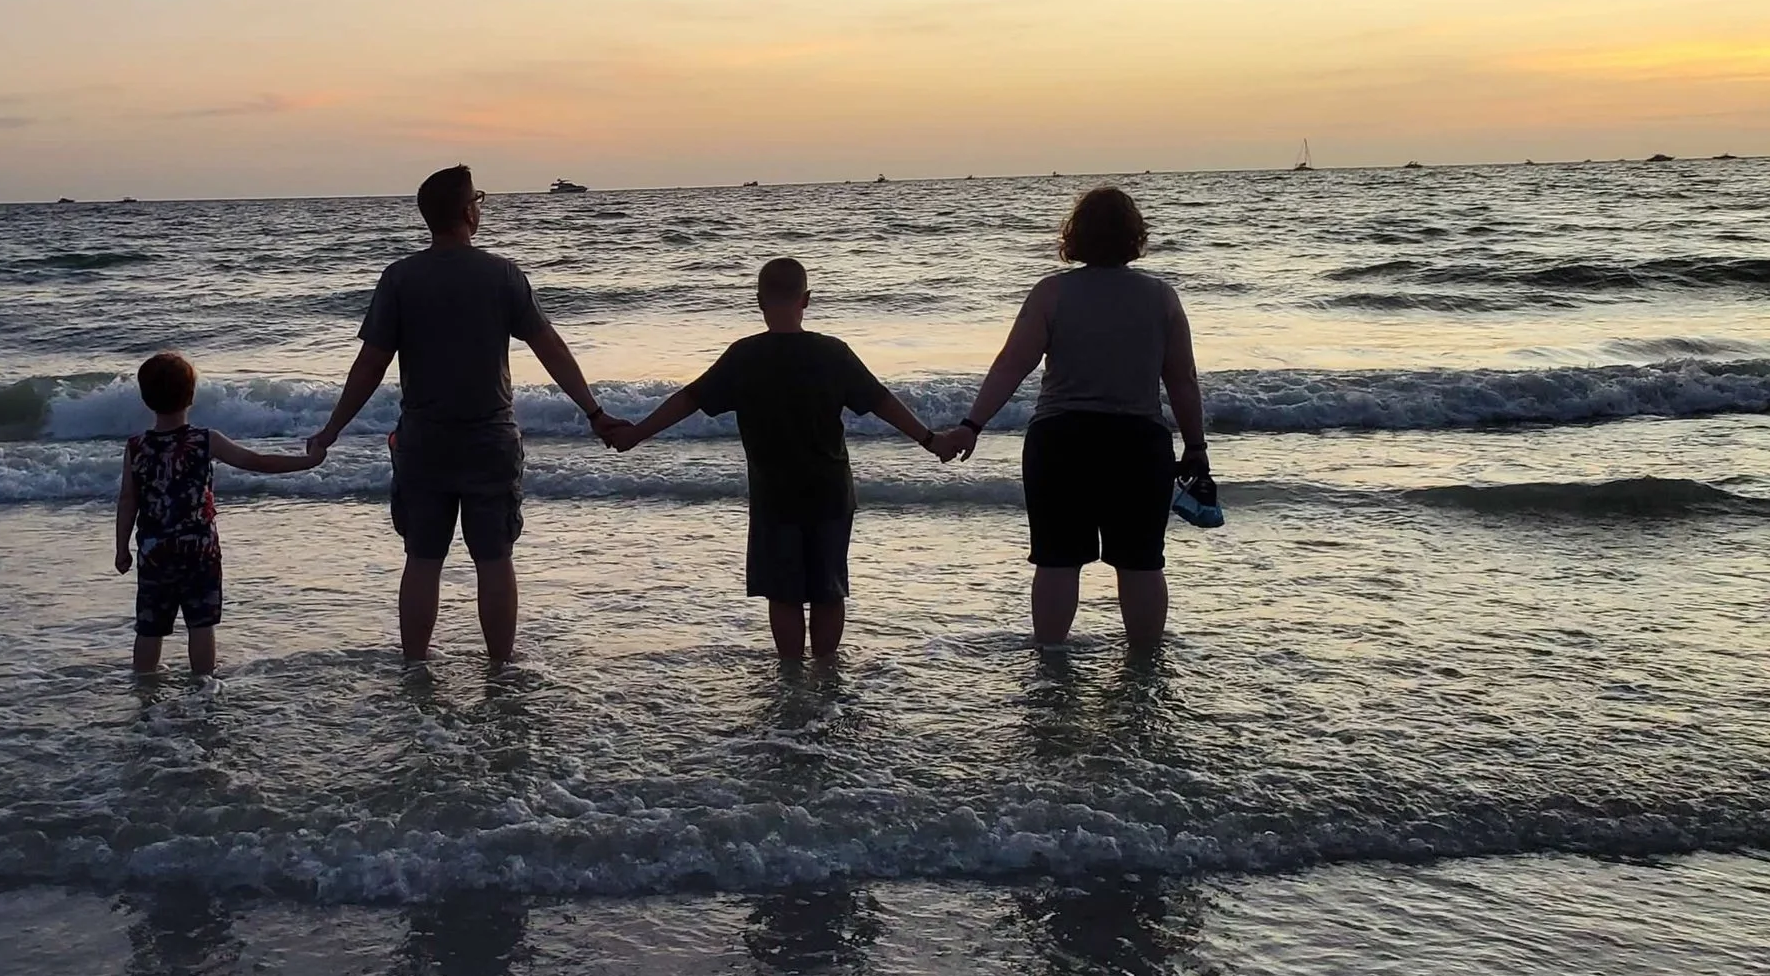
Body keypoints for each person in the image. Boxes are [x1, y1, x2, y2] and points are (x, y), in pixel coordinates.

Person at [307, 165, 627, 664]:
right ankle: (501, 667)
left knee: (423, 560)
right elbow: (549, 346)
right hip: (489, 440)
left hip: (423, 442)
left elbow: (370, 364)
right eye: (477, 198)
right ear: (466, 212)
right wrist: (594, 410)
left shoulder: (400, 278)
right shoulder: (502, 275)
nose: (480, 205)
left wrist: (331, 430)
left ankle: (415, 665)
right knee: (494, 559)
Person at [613, 257, 948, 660]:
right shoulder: (833, 352)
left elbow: (690, 399)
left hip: (775, 495)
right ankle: (826, 674)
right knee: (828, 589)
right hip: (830, 492)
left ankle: (791, 676)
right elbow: (881, 402)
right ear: (806, 300)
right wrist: (929, 439)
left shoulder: (744, 356)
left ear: (759, 302)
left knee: (784, 593)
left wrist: (636, 433)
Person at [934, 186, 1209, 651]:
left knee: (1057, 560)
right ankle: (1143, 669)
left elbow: (1011, 364)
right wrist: (1196, 447)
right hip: (1138, 442)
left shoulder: (1052, 293)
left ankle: (1052, 663)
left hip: (1061, 440)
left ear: (1075, 236)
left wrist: (972, 424)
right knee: (1142, 562)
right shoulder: (1162, 297)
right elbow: (1181, 380)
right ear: (1134, 237)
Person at [115, 350, 320, 675]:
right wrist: (307, 461)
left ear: (145, 398)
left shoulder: (136, 447)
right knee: (201, 623)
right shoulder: (205, 440)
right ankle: (203, 684)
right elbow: (257, 462)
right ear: (192, 395)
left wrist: (121, 548)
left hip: (155, 552)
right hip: (200, 551)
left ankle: (143, 682)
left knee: (150, 625)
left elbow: (128, 500)